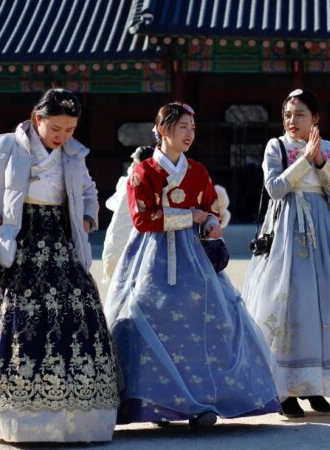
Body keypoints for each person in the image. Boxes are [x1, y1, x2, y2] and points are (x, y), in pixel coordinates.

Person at [0, 89, 119, 443]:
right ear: (37, 119)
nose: (62, 136)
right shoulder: (6, 147)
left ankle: (74, 418)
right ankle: (17, 418)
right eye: (56, 127)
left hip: (60, 238)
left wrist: (88, 218)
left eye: (71, 129)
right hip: (18, 237)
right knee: (15, 317)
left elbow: (90, 191)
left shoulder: (74, 155)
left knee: (72, 318)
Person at [104, 102, 280, 428]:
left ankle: (202, 402)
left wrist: (211, 221)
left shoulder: (197, 171)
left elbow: (210, 205)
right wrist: (191, 216)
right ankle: (157, 403)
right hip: (149, 257)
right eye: (183, 126)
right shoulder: (142, 172)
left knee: (210, 320)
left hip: (193, 256)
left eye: (192, 128)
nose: (189, 133)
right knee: (146, 317)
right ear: (162, 130)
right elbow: (143, 219)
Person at [241, 89, 330, 418]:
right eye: (288, 114)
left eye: (300, 114)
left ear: (315, 118)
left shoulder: (328, 148)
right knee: (286, 303)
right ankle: (284, 389)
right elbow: (275, 188)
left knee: (321, 303)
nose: (292, 120)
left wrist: (320, 161)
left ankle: (314, 383)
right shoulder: (275, 147)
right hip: (285, 235)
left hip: (322, 236)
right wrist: (305, 161)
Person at [100, 145, 232, 284]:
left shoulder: (193, 172)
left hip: (183, 240)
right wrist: (188, 216)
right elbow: (131, 221)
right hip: (149, 240)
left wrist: (210, 221)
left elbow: (213, 209)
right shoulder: (138, 179)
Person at [101, 145, 154, 284]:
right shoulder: (129, 180)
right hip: (128, 230)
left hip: (138, 230)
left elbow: (112, 203)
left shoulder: (132, 180)